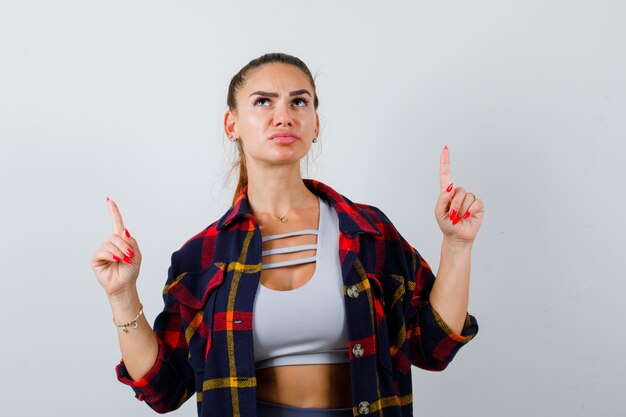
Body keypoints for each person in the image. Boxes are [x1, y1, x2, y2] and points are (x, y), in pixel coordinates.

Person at [91, 52, 482, 417]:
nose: (283, 116)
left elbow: (435, 346)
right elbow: (165, 389)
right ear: (232, 124)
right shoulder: (201, 257)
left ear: (315, 125)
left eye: (299, 102)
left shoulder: (368, 231)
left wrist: (457, 244)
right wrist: (122, 295)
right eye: (263, 101)